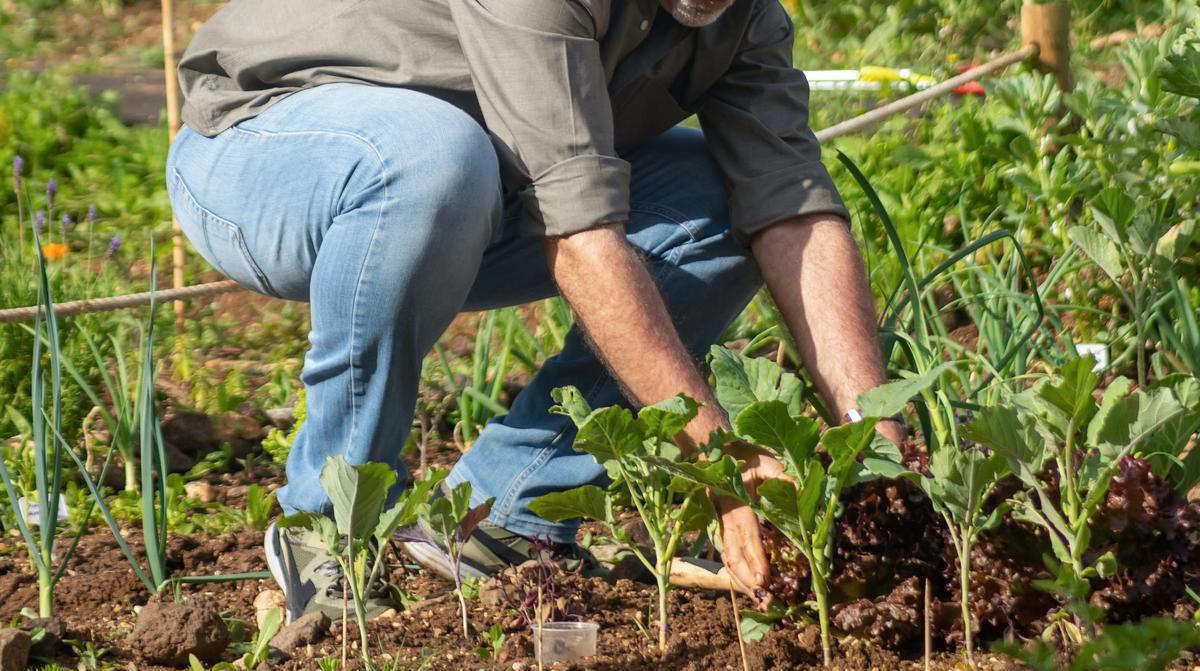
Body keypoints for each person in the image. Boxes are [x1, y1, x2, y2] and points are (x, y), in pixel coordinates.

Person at [168, 0, 902, 622]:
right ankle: (330, 523)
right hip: (265, 145)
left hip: (475, 189)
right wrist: (720, 459)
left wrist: (879, 452)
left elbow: (794, 212)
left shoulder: (739, 19)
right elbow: (579, 233)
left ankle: (504, 514)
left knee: (722, 204)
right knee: (433, 157)